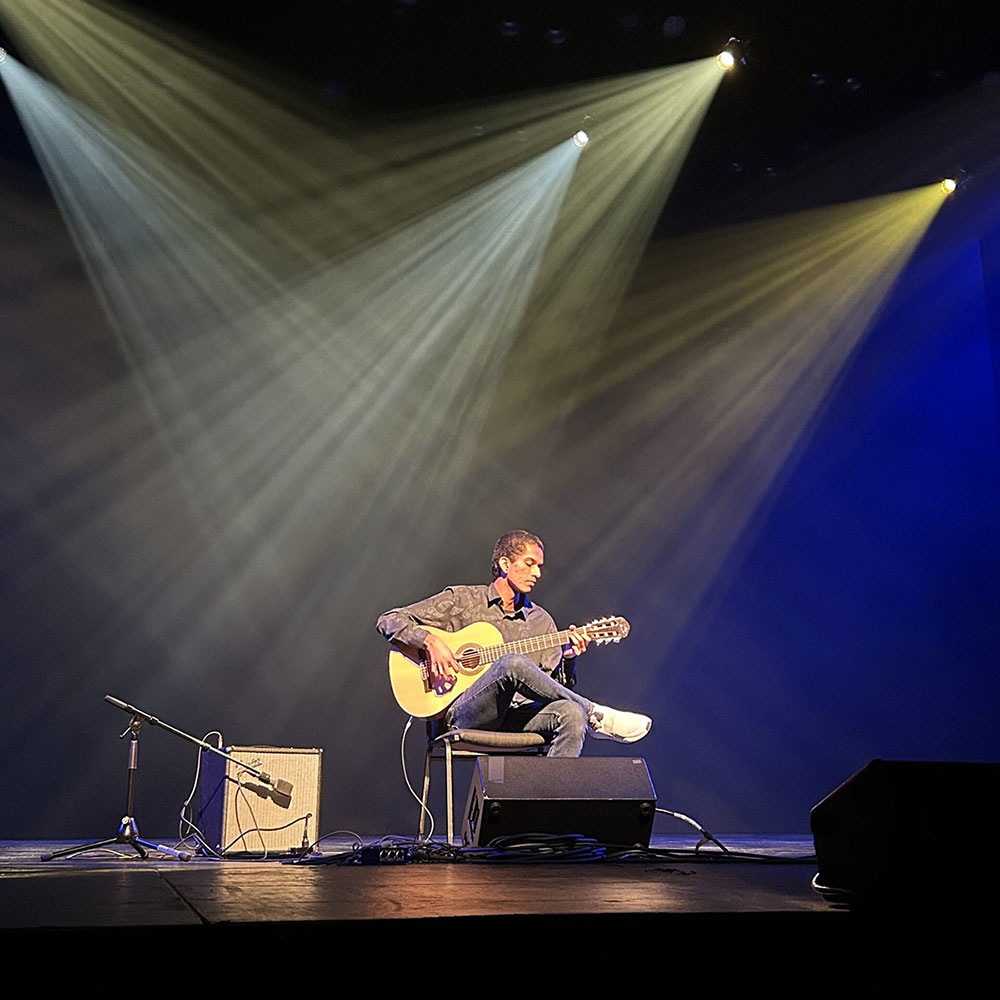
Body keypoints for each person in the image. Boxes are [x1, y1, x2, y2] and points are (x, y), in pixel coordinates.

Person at [376, 530, 651, 756]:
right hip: (464, 714)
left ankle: (551, 808)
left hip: (518, 717)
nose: (537, 573)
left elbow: (555, 689)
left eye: (540, 566)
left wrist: (569, 658)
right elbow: (389, 619)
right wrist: (431, 641)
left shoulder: (541, 621)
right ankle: (597, 714)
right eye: (529, 563)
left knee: (571, 712)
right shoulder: (463, 601)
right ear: (506, 565)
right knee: (512, 664)